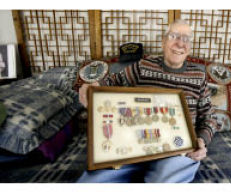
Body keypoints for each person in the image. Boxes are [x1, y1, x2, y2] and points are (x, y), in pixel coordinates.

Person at [77, 19, 216, 183]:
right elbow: (109, 83)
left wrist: (201, 140)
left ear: (190, 47)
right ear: (163, 42)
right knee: (91, 182)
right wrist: (91, 87)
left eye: (186, 39)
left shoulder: (199, 76)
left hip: (176, 150)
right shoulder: (143, 66)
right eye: (174, 36)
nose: (180, 43)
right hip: (133, 147)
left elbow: (210, 118)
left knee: (162, 181)